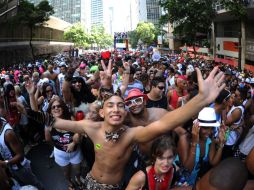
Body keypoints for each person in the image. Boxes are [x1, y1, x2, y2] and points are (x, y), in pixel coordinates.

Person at [21, 67, 225, 189]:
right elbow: (54, 121)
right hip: (91, 183)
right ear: (102, 113)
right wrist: (30, 98)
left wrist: (201, 99)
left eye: (121, 105)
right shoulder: (91, 128)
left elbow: (166, 123)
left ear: (125, 113)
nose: (116, 108)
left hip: (116, 186)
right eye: (110, 105)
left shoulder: (132, 134)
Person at [0, 103, 44, 190]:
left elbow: (20, 155)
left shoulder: (8, 134)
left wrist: (5, 163)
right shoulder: (2, 120)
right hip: (12, 167)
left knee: (35, 184)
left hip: (20, 168)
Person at [184, 107, 226, 185]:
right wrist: (194, 143)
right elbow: (187, 169)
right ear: (197, 127)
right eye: (206, 128)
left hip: (193, 181)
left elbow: (213, 162)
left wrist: (221, 144)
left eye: (212, 128)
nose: (209, 132)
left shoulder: (210, 140)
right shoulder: (186, 139)